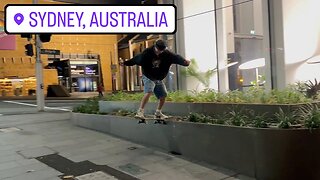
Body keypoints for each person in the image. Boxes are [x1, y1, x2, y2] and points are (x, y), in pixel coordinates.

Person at [120, 39, 190, 119]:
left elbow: (176, 57)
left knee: (163, 96)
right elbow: (135, 59)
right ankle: (140, 112)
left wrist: (184, 62)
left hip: (158, 78)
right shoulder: (147, 53)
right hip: (148, 76)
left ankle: (158, 112)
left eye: (161, 51)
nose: (159, 52)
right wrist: (125, 63)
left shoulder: (167, 54)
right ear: (155, 46)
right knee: (149, 91)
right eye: (158, 50)